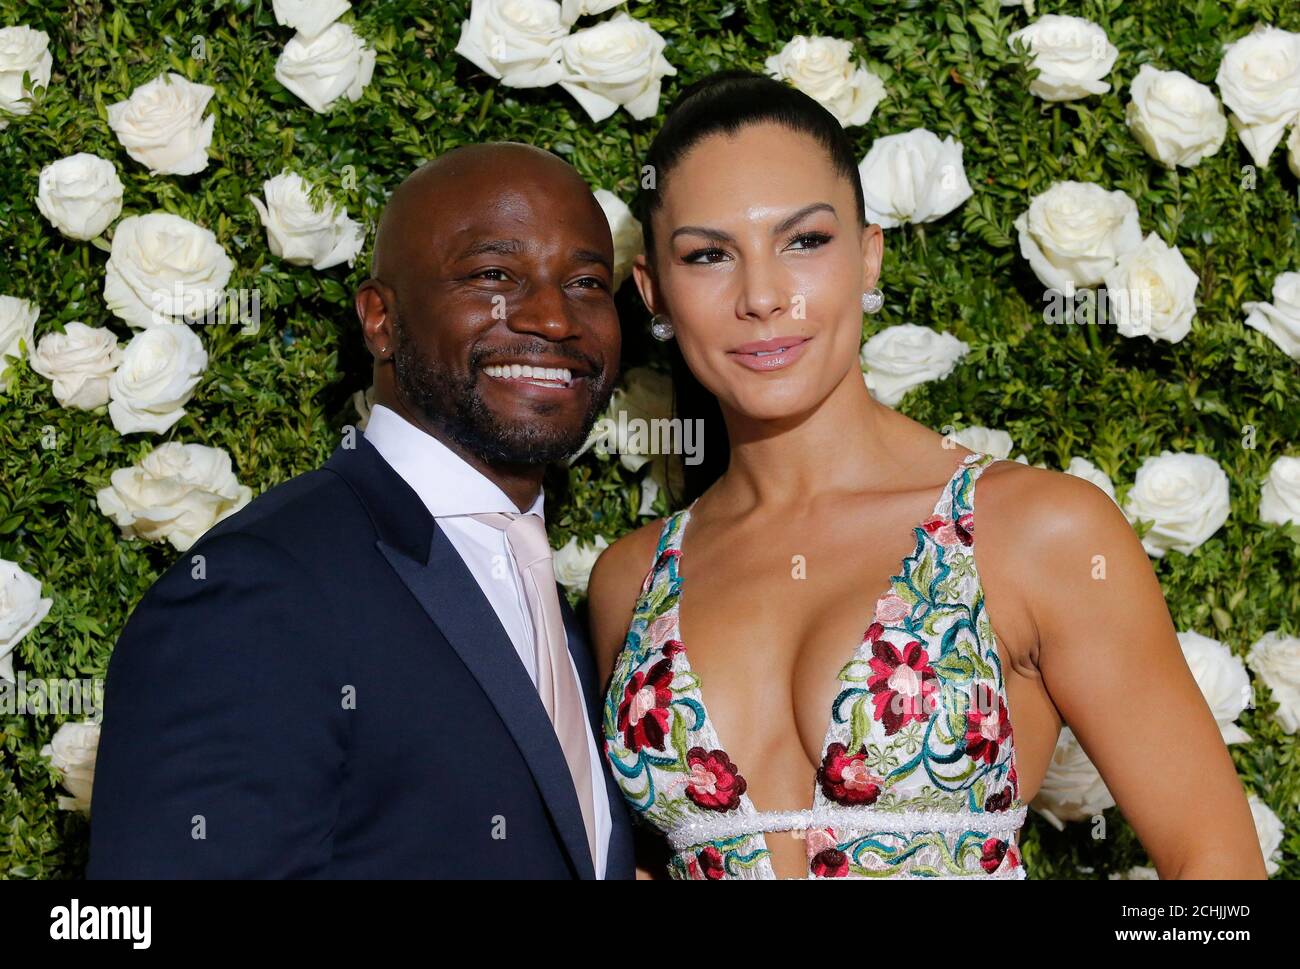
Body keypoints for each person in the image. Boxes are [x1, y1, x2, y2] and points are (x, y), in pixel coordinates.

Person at [586, 70, 1268, 880]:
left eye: (805, 241)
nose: (763, 296)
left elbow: (1217, 870)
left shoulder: (1035, 532)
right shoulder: (630, 581)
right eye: (708, 255)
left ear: (868, 258)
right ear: (654, 292)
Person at [88, 143, 635, 879]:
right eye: (493, 275)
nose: (553, 318)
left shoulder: (559, 594)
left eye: (586, 283)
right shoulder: (255, 592)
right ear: (380, 319)